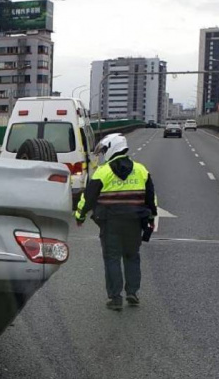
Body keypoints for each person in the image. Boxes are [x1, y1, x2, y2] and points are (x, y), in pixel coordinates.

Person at [74, 133, 157, 311]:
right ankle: (132, 293)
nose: (103, 154)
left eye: (104, 150)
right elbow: (151, 198)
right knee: (132, 256)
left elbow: (88, 198)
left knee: (112, 258)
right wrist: (151, 218)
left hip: (110, 223)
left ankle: (115, 298)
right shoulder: (141, 170)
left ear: (113, 147)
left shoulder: (102, 172)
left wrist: (80, 216)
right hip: (134, 222)